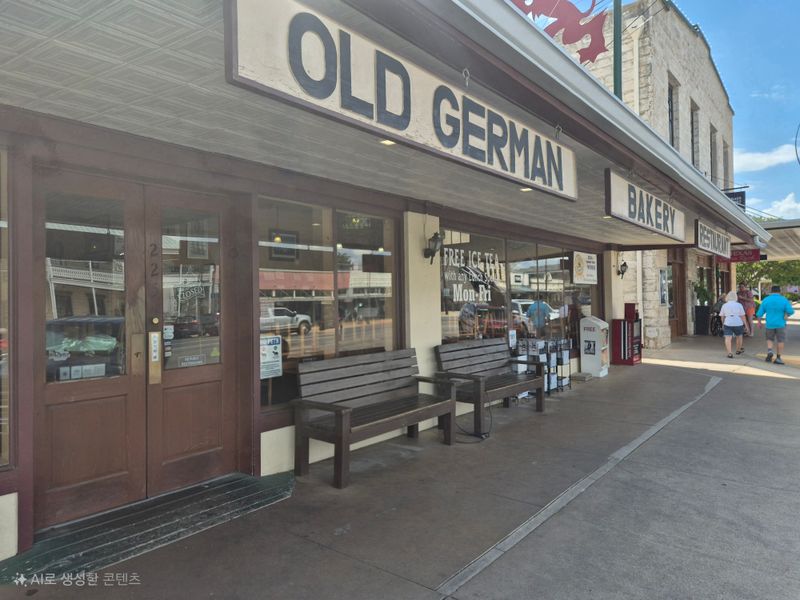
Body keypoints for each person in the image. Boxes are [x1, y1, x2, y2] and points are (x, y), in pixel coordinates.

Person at [756, 285, 795, 365]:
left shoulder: (766, 300)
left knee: (769, 338)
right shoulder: (784, 300)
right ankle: (778, 358)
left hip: (769, 324)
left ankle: (770, 351)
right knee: (780, 340)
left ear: (771, 291)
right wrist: (786, 314)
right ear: (779, 291)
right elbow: (791, 311)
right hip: (781, 324)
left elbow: (759, 313)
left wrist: (759, 322)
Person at [719, 291, 749, 358]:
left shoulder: (724, 305)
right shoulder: (739, 305)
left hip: (728, 322)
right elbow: (743, 316)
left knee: (728, 338)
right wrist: (746, 326)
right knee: (739, 336)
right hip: (738, 322)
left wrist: (723, 324)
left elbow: (722, 316)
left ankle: (729, 353)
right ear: (736, 297)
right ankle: (738, 350)